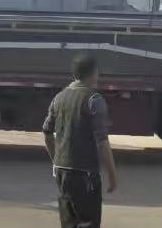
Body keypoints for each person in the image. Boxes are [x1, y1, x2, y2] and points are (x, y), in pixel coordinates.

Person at [43, 54, 117, 228]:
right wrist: (112, 176)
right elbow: (102, 142)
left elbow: (46, 133)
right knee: (87, 222)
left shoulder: (58, 98)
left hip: (62, 172)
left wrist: (56, 160)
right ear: (93, 73)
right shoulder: (94, 99)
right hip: (85, 174)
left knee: (69, 222)